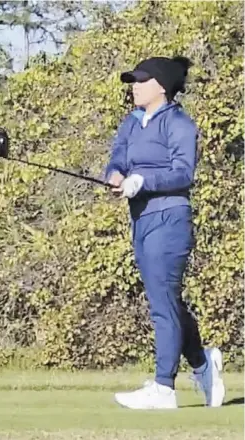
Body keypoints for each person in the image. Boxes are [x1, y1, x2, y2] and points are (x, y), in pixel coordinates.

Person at [105, 56, 225, 410]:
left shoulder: (179, 123)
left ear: (161, 86)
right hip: (140, 219)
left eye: (141, 80)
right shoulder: (131, 122)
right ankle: (204, 364)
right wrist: (115, 175)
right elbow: (118, 157)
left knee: (162, 303)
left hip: (170, 218)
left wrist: (143, 181)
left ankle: (163, 387)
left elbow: (183, 173)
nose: (134, 86)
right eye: (133, 80)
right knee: (166, 300)